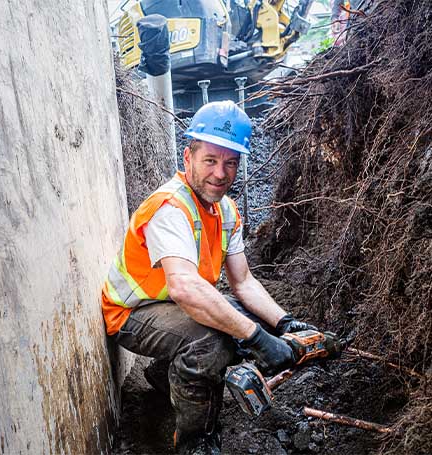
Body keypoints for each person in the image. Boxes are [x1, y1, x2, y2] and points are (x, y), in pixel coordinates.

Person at [101, 101, 317, 455]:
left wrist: (283, 323)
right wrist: (256, 338)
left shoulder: (225, 210)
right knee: (213, 343)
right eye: (211, 161)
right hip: (132, 314)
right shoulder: (170, 208)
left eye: (230, 162)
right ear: (188, 158)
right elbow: (185, 288)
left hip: (171, 305)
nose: (221, 173)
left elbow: (244, 283)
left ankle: (166, 374)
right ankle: (195, 441)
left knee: (240, 321)